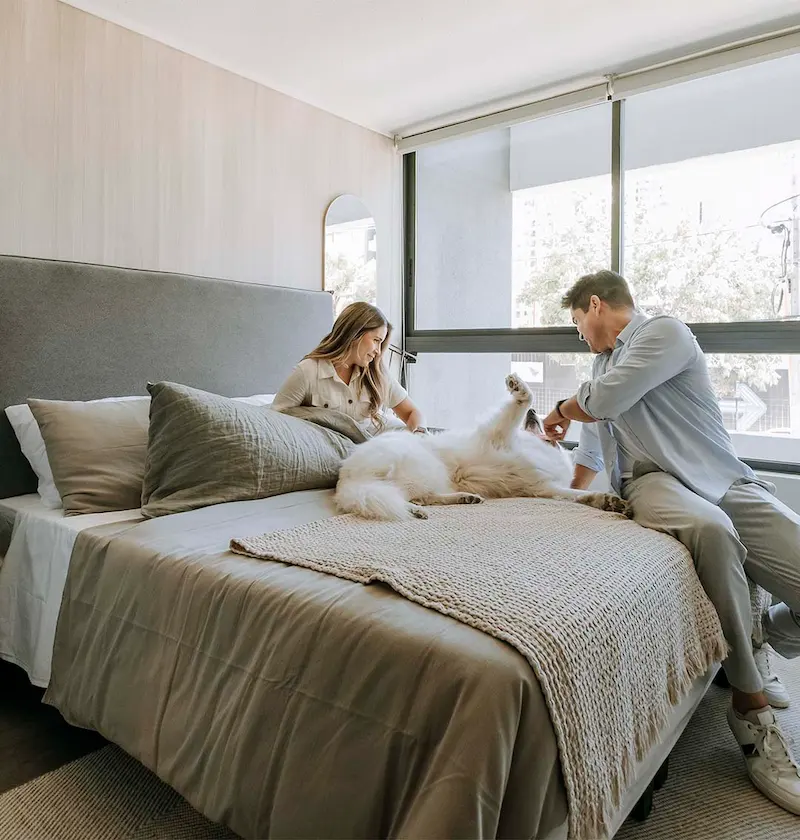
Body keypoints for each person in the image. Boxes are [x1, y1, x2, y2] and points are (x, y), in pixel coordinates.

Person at [541, 269, 800, 814]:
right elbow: (591, 451)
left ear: (594, 305)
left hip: (721, 475)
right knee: (712, 533)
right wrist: (560, 499)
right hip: (655, 483)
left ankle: (761, 632)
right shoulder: (599, 368)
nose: (580, 336)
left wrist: (561, 410)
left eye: (576, 324)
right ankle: (751, 712)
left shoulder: (664, 333)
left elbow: (603, 401)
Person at [272, 301, 425, 435]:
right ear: (355, 334)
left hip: (376, 448)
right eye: (376, 340)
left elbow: (413, 412)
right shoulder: (308, 372)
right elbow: (274, 420)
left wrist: (412, 437)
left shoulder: (376, 373)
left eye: (381, 343)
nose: (378, 351)